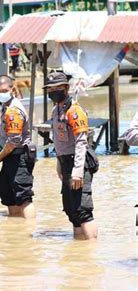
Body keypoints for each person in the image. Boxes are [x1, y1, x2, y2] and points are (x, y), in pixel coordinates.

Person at [45, 72, 97, 240]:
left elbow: (82, 142)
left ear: (66, 88)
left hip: (78, 162)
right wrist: (59, 163)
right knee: (71, 210)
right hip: (65, 161)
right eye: (50, 89)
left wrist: (78, 171)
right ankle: (79, 251)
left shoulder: (74, 111)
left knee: (82, 210)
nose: (53, 91)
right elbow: (59, 142)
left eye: (57, 88)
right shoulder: (56, 110)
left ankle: (90, 252)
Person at [0, 75, 36, 219]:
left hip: (19, 156)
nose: (0, 93)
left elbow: (13, 142)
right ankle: (16, 231)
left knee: (23, 198)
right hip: (10, 156)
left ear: (12, 89)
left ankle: (29, 232)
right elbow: (7, 131)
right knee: (8, 195)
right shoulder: (5, 106)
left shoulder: (14, 110)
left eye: (4, 90)